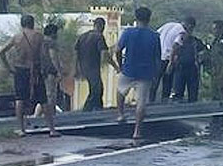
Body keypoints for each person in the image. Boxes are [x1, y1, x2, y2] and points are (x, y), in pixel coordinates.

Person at [115, 7, 161, 139]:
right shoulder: (155, 36)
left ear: (136, 17)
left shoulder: (128, 33)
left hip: (129, 69)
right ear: (149, 18)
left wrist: (120, 65)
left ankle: (120, 114)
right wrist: (156, 75)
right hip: (146, 73)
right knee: (141, 103)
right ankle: (137, 131)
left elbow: (118, 49)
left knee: (120, 91)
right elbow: (158, 58)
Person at [0, 15, 45, 136]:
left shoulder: (17, 37)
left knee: (20, 99)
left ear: (21, 24)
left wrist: (8, 67)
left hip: (20, 69)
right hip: (35, 69)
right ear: (32, 23)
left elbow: (1, 51)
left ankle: (21, 128)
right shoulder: (39, 36)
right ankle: (51, 128)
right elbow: (45, 54)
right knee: (43, 99)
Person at [74, 17, 120, 111]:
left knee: (95, 88)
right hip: (93, 67)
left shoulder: (82, 36)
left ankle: (97, 108)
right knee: (97, 89)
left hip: (83, 66)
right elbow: (105, 54)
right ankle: (88, 110)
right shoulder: (99, 37)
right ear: (102, 26)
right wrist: (115, 66)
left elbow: (76, 53)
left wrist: (76, 68)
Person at [169, 17, 206, 102]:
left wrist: (200, 57)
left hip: (192, 70)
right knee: (177, 95)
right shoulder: (177, 40)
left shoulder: (196, 41)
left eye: (188, 28)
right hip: (179, 69)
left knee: (193, 95)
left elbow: (205, 52)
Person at [38, 23, 63, 137]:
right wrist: (59, 71)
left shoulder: (41, 42)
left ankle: (38, 116)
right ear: (53, 33)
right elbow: (53, 57)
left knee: (44, 96)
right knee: (51, 95)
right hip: (50, 72)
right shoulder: (51, 43)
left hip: (41, 71)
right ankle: (51, 117)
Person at [154, 20, 187, 103]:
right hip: (168, 58)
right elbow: (175, 45)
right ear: (189, 26)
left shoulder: (168, 25)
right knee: (167, 83)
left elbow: (156, 34)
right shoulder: (182, 31)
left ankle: (150, 101)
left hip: (158, 57)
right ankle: (164, 102)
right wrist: (171, 63)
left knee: (155, 82)